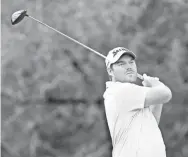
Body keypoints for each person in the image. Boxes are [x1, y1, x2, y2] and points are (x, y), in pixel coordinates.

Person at [103, 47, 172, 157]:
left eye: (131, 62)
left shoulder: (133, 97)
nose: (129, 67)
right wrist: (157, 85)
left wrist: (156, 96)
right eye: (121, 64)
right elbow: (166, 94)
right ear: (110, 71)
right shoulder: (120, 91)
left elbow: (152, 123)